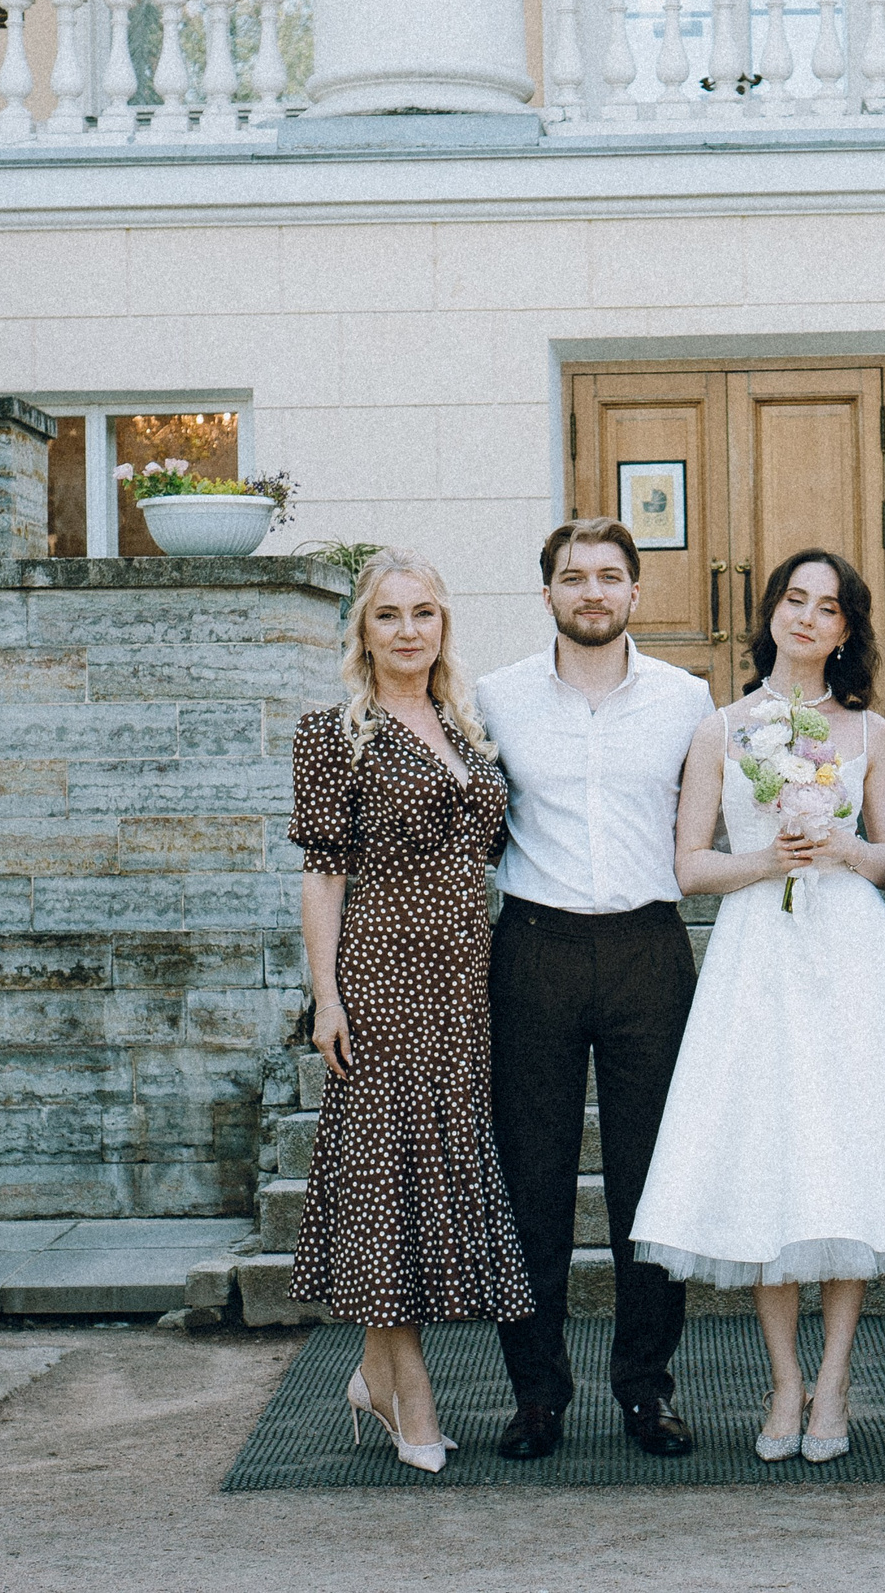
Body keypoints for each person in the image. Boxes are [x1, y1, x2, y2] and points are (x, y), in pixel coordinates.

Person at [630, 551, 885, 1466]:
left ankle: (833, 1376)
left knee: (844, 1162)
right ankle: (783, 1379)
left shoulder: (869, 729)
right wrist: (769, 860)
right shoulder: (722, 727)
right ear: (771, 613)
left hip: (849, 958)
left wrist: (840, 847)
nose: (806, 617)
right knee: (771, 1162)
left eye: (827, 606)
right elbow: (688, 865)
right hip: (758, 956)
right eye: (793, 600)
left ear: (846, 629)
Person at [473, 519, 717, 1461]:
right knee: (529, 1182)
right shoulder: (494, 698)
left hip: (647, 950)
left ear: (635, 593)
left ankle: (646, 1390)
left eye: (610, 576)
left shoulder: (686, 699)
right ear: (547, 594)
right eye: (573, 577)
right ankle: (537, 1395)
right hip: (534, 947)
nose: (592, 592)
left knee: (650, 1183)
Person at [287, 548, 530, 1475]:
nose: (407, 630)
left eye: (423, 612)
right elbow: (322, 874)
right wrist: (327, 996)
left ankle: (372, 1376)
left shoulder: (467, 726)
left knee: (421, 1177)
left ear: (443, 625)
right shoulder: (333, 733)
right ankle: (410, 1395)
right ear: (363, 628)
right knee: (385, 1178)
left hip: (464, 981)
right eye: (388, 614)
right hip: (383, 975)